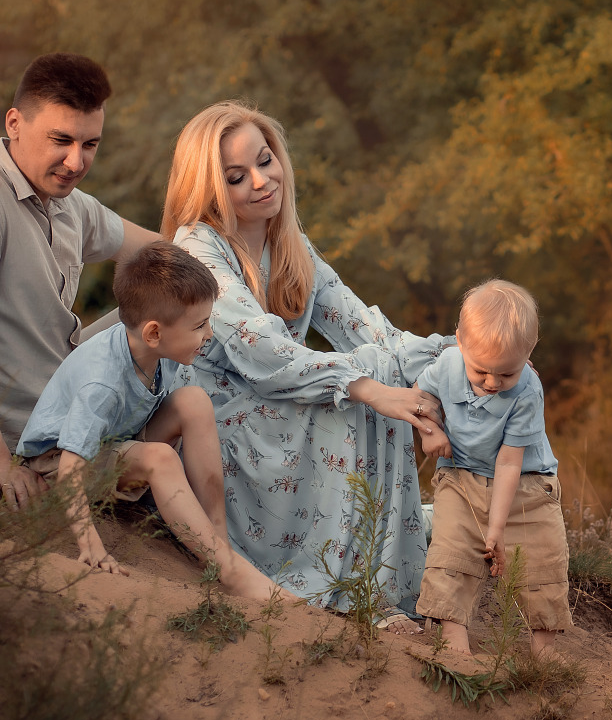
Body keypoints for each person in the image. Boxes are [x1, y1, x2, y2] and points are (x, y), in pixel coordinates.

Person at [162, 100, 448, 631]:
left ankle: (382, 579)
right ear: (208, 186)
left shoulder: (285, 238)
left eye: (265, 160)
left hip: (279, 409)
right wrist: (365, 385)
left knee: (382, 366)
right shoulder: (196, 250)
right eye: (235, 176)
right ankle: (351, 594)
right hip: (227, 429)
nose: (261, 181)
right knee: (363, 385)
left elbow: (363, 325)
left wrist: (456, 357)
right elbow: (266, 353)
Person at [0, 53, 160, 508]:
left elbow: (162, 251)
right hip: (22, 437)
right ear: (14, 123)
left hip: (65, 403)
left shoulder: (69, 205)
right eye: (61, 140)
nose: (75, 161)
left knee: (181, 313)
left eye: (90, 145)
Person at [15, 242, 292, 598]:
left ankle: (218, 542)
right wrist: (90, 544)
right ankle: (231, 572)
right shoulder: (102, 383)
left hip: (113, 443)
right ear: (154, 333)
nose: (208, 335)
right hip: (58, 465)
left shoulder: (159, 350)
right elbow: (70, 468)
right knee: (160, 458)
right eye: (200, 326)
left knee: (193, 401)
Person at [413, 280, 570, 655]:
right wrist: (430, 431)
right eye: (482, 370)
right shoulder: (447, 364)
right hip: (461, 477)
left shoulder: (528, 389)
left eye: (507, 374)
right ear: (459, 343)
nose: (493, 382)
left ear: (529, 354)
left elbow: (510, 460)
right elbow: (421, 395)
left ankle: (543, 649)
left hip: (525, 485)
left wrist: (496, 527)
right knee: (450, 554)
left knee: (543, 561)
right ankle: (454, 642)